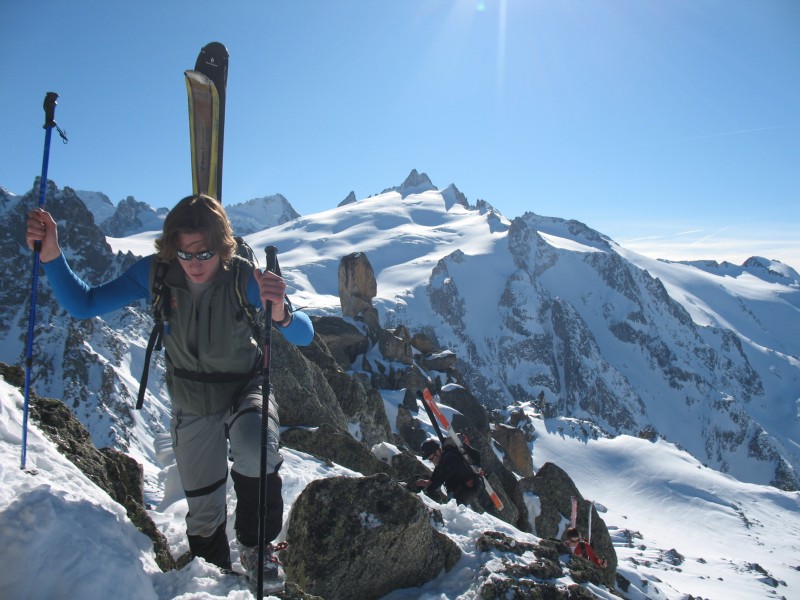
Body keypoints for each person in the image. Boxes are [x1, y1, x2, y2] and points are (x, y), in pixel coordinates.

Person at [26, 194, 314, 594]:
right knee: (203, 511)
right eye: (183, 253)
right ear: (170, 248)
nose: (194, 264)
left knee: (255, 447)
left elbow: (304, 333)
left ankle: (256, 546)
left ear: (223, 247)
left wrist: (280, 311)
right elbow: (83, 303)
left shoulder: (243, 277)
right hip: (192, 399)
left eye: (205, 253)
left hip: (246, 388)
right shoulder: (156, 273)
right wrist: (52, 255)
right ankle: (211, 575)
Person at [415, 438, 483, 506]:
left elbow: (442, 477)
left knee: (455, 507)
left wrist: (429, 489)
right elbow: (436, 475)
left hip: (469, 489)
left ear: (437, 452)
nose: (431, 461)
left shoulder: (451, 458)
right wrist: (428, 483)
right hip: (460, 489)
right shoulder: (443, 461)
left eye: (431, 458)